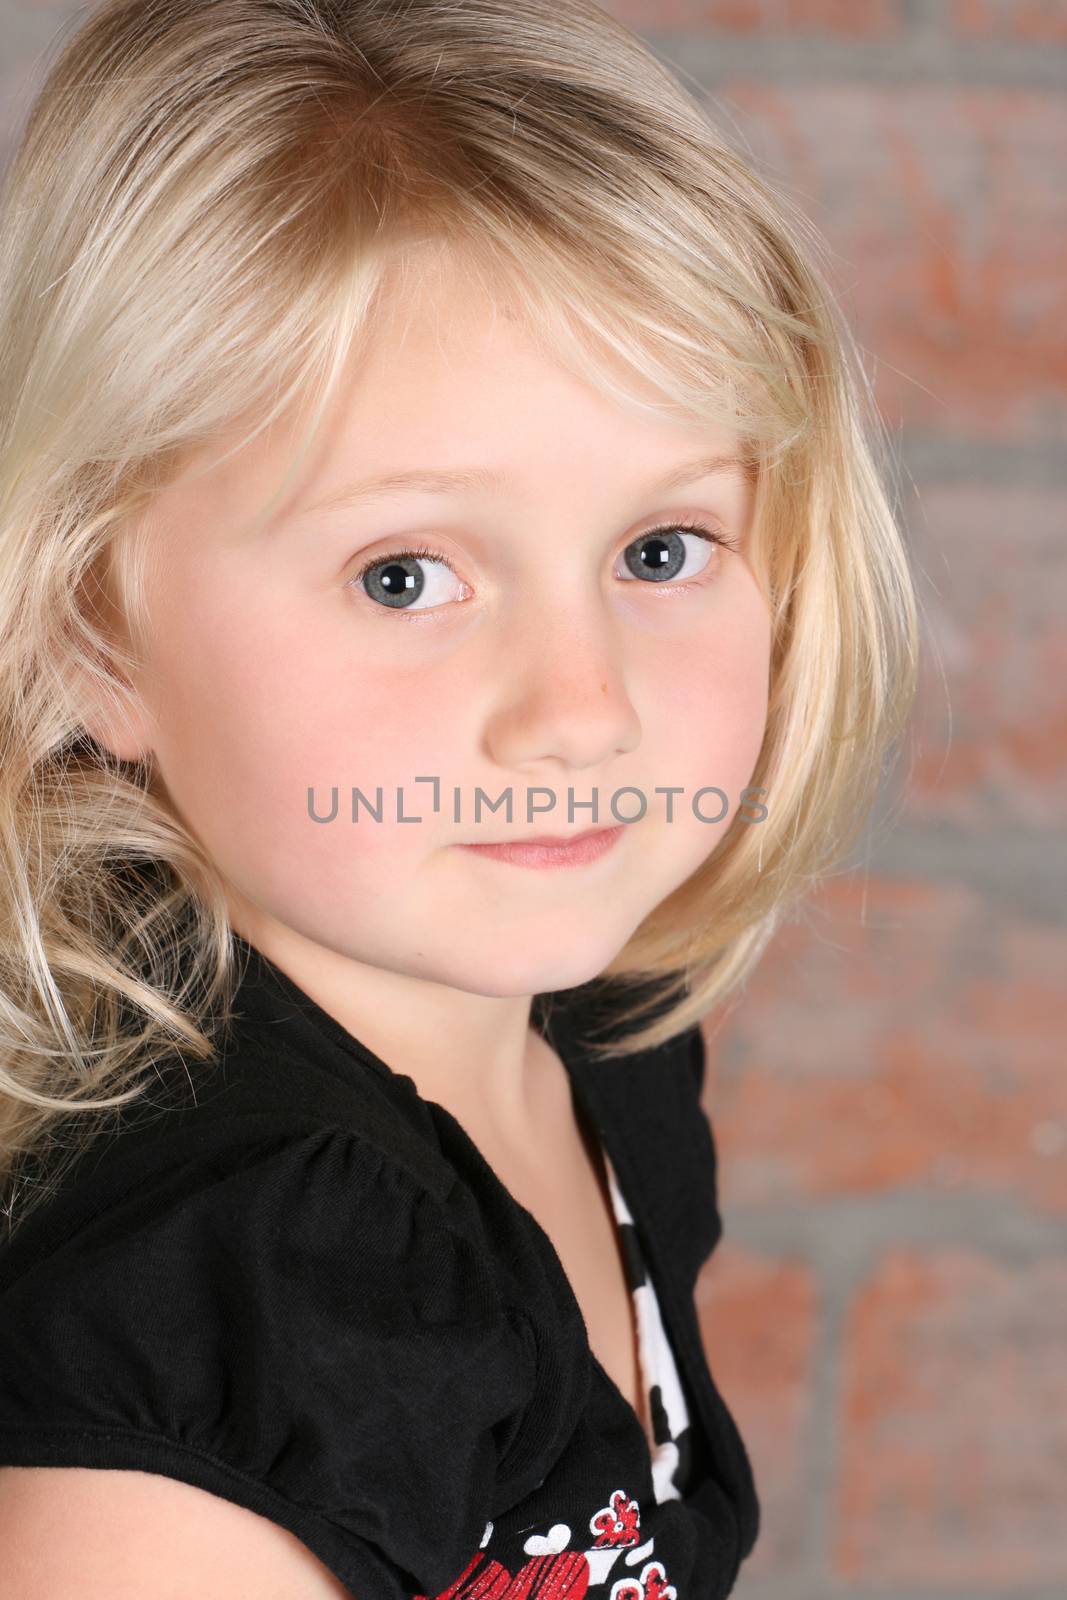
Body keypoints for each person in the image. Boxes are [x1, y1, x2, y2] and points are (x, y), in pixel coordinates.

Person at [0, 0, 920, 1594]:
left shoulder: (589, 1019)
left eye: (657, 551)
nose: (581, 713)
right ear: (96, 630)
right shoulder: (232, 1297)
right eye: (407, 574)